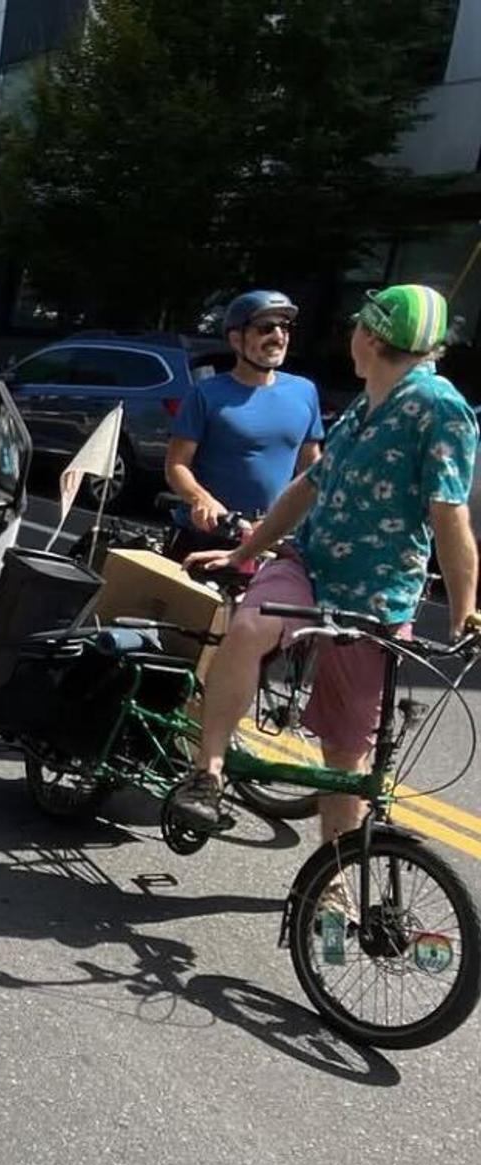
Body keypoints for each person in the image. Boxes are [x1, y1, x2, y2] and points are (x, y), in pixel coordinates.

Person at [174, 284, 479, 852]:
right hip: (308, 565)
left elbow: (449, 513)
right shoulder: (364, 406)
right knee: (249, 627)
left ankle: (335, 884)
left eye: (357, 326)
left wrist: (465, 613)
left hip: (375, 596)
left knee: (345, 752)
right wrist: (243, 554)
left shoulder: (440, 409)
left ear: (368, 337)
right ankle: (208, 773)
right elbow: (306, 488)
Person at [163, 289, 323, 555]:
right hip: (206, 535)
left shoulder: (304, 391)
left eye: (285, 327)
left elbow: (312, 468)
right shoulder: (206, 394)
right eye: (265, 328)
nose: (279, 336)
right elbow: (176, 465)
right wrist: (201, 500)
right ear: (236, 339)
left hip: (269, 539)